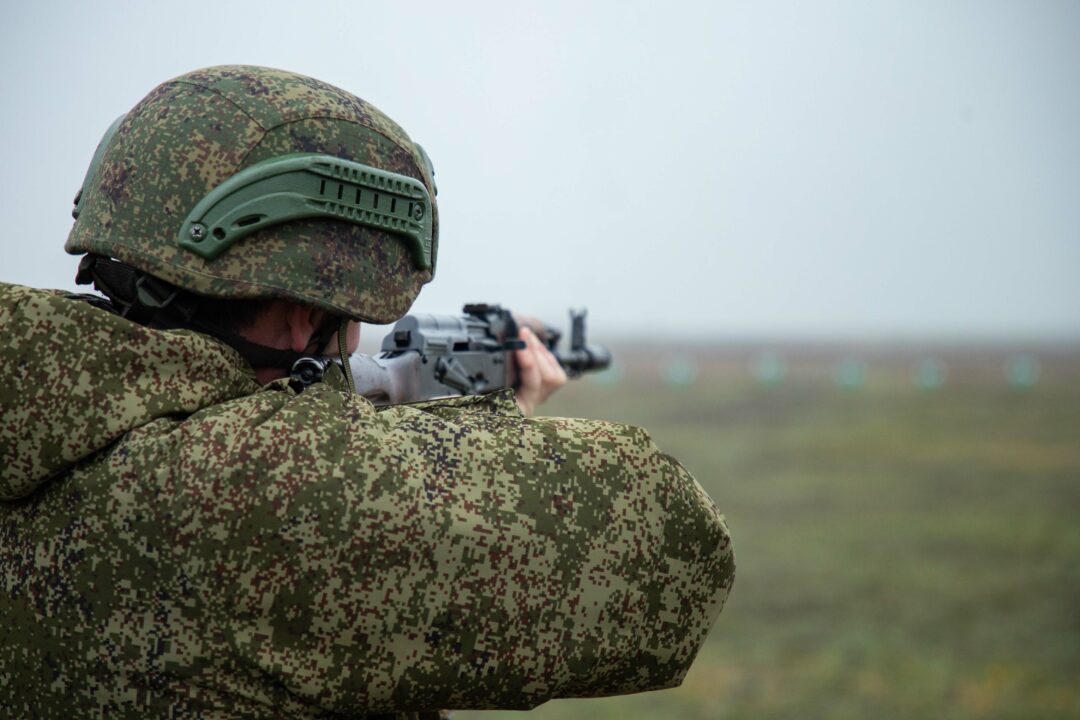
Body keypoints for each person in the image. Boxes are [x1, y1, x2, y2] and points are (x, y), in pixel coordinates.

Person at [0, 66, 734, 719]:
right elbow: (678, 550)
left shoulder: (43, 408)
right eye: (348, 325)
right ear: (303, 316)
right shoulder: (238, 494)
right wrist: (483, 432)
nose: (354, 346)